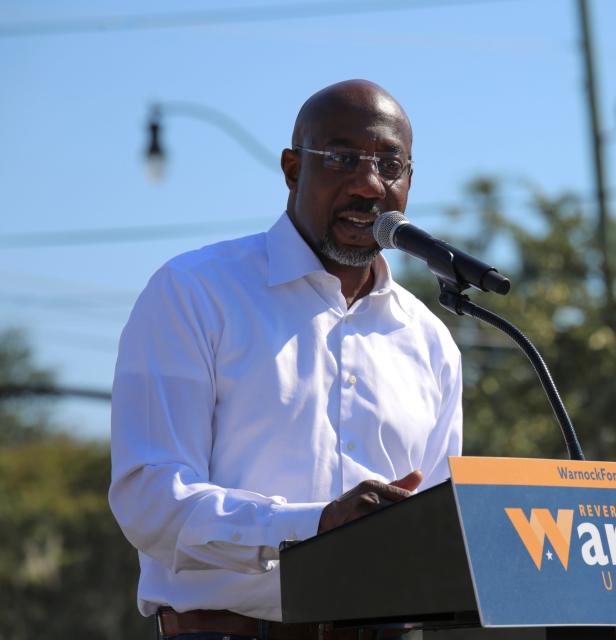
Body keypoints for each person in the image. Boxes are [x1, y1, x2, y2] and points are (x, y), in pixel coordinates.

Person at [109, 80, 463, 639]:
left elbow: (443, 529)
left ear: (410, 182)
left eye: (389, 164)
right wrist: (314, 525)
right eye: (343, 158)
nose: (369, 184)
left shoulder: (429, 339)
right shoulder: (194, 292)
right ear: (293, 169)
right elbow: (150, 499)